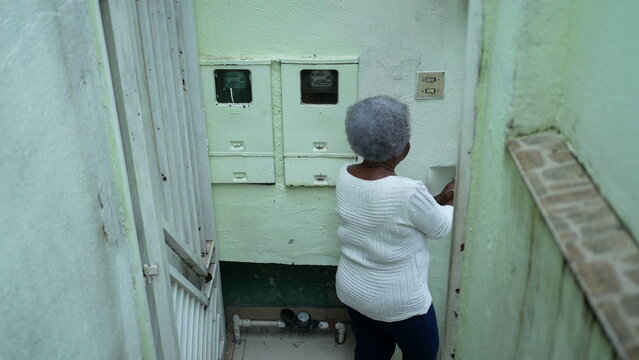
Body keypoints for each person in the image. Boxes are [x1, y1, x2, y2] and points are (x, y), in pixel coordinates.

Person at [335, 95, 455, 360]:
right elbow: (438, 227)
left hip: (354, 292)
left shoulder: (344, 174)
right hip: (401, 306)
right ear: (404, 148)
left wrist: (438, 200)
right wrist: (454, 203)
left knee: (370, 352)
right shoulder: (408, 191)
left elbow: (391, 217)